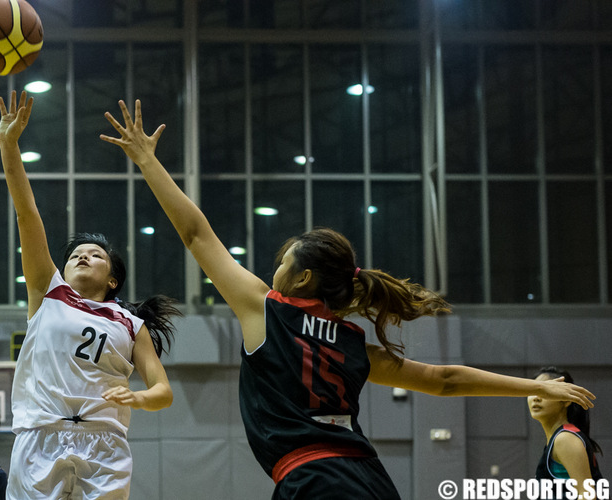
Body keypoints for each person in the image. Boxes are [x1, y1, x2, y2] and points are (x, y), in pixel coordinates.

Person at [100, 99, 597, 500]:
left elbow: (195, 234)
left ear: (302, 279)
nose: (273, 268)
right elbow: (444, 381)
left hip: (314, 480)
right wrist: (534, 387)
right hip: (370, 478)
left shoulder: (267, 309)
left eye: (283, 260)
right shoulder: (351, 341)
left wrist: (147, 160)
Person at [0, 91, 180, 500]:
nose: (82, 256)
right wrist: (9, 147)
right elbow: (27, 215)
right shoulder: (49, 292)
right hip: (41, 433)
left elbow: (163, 391)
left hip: (104, 440)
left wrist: (138, 397)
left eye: (94, 255)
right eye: (76, 254)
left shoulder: (132, 325)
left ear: (113, 278)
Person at [528, 367, 603, 499]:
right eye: (533, 391)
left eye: (545, 392)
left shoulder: (565, 439)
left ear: (567, 400)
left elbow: (587, 496)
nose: (536, 398)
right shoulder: (561, 437)